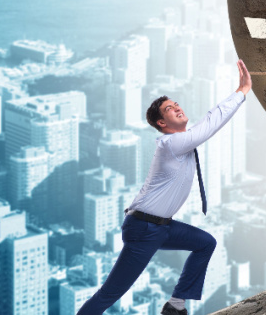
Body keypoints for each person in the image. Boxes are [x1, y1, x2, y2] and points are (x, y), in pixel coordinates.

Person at [77, 60, 253, 315]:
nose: (177, 108)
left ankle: (176, 305)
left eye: (177, 104)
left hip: (162, 226)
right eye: (170, 109)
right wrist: (242, 90)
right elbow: (211, 122)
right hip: (144, 228)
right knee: (111, 292)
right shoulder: (171, 144)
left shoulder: (180, 142)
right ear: (161, 123)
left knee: (205, 243)